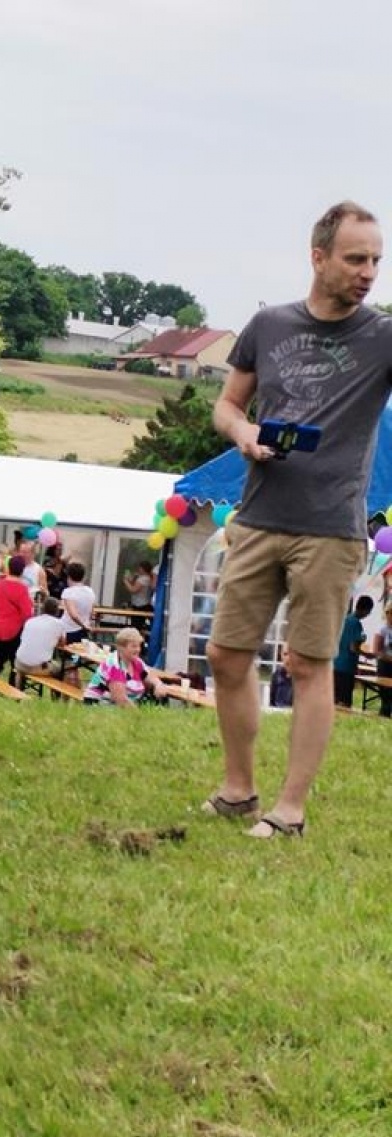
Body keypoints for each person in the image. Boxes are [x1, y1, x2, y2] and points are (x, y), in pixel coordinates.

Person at [203, 201, 392, 840]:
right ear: (318, 257)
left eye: (375, 260)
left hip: (331, 527)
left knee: (309, 665)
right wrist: (246, 433)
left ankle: (290, 810)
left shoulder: (383, 337)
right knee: (226, 655)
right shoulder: (269, 325)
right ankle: (237, 789)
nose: (368, 272)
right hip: (258, 517)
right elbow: (227, 406)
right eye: (355, 258)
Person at [82, 627, 166, 705]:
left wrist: (158, 684)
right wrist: (141, 718)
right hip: (98, 706)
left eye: (139, 646)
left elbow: (149, 675)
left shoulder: (136, 662)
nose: (138, 649)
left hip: (118, 707)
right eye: (134, 646)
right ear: (121, 647)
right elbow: (121, 700)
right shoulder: (114, 665)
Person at [0, 553, 34, 679]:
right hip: (13, 629)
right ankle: (13, 689)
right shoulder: (22, 588)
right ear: (23, 570)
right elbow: (27, 614)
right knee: (15, 662)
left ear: (9, 567)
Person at [332, 595, 373, 708]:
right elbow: (353, 648)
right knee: (344, 702)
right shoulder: (356, 624)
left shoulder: (345, 619)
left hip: (335, 664)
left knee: (334, 699)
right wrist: (367, 655)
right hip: (346, 667)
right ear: (366, 610)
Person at [14, 597, 67, 679]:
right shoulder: (59, 624)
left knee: (22, 669)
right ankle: (57, 691)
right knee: (61, 669)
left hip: (19, 663)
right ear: (57, 610)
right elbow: (63, 644)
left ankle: (18, 689)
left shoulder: (30, 621)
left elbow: (23, 639)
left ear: (43, 608)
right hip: (39, 667)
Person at [58, 561, 96, 646]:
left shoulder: (68, 592)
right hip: (83, 630)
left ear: (69, 576)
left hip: (68, 630)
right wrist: (86, 625)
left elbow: (73, 615)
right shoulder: (90, 591)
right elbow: (92, 612)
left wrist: (83, 625)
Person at [374, 596, 392, 718]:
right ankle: (384, 715)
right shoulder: (382, 629)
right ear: (387, 613)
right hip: (385, 666)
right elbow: (377, 651)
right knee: (386, 695)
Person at [268, 643, 296, 710]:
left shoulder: (302, 678)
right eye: (285, 654)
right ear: (281, 656)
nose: (288, 658)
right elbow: (272, 703)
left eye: (291, 654)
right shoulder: (277, 675)